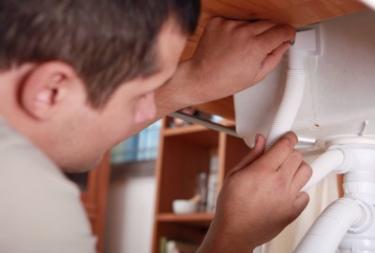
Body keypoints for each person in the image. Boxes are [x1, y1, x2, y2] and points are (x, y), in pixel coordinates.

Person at [0, 0, 312, 252]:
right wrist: (234, 237)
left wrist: (190, 83)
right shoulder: (30, 206)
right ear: (50, 91)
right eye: (141, 94)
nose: (151, 110)